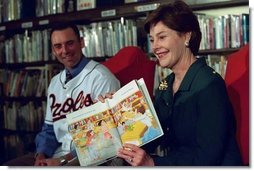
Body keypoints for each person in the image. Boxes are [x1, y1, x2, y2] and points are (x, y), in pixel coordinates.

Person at [100, 0, 243, 166]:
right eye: (152, 40)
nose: (155, 47)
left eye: (162, 37)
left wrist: (154, 163)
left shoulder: (209, 85)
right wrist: (115, 112)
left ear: (186, 36)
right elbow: (151, 136)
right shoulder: (166, 84)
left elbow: (208, 158)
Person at [4, 22, 120, 166]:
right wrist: (41, 155)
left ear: (81, 43)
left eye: (70, 43)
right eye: (58, 46)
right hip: (56, 154)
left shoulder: (101, 77)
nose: (64, 50)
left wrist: (62, 161)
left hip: (90, 158)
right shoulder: (54, 83)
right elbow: (49, 129)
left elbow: (106, 138)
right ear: (53, 50)